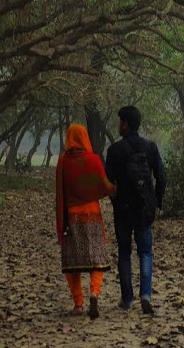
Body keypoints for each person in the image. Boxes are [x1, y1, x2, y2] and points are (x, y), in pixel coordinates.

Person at [106, 106, 166, 315]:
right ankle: (146, 295)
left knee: (124, 253)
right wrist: (157, 201)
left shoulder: (114, 150)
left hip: (122, 209)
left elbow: (107, 182)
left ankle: (127, 299)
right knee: (145, 252)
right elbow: (162, 176)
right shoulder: (150, 147)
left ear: (125, 124)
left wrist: (114, 199)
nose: (118, 125)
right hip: (144, 209)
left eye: (120, 121)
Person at [55, 123, 115, 320]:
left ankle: (78, 304)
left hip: (72, 216)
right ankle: (94, 293)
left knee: (72, 261)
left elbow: (60, 192)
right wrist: (116, 188)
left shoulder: (63, 162)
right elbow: (105, 186)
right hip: (92, 214)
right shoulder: (93, 159)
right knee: (97, 257)